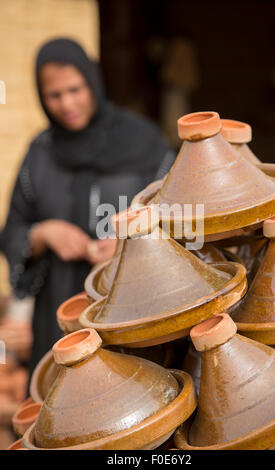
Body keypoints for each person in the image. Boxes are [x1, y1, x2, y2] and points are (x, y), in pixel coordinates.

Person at [2, 38, 174, 377]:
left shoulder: (143, 141)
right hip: (59, 317)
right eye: (54, 95)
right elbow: (13, 229)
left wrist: (132, 243)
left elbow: (180, 213)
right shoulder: (40, 153)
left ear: (92, 81)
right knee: (61, 404)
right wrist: (43, 234)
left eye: (75, 89)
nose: (67, 103)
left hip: (132, 312)